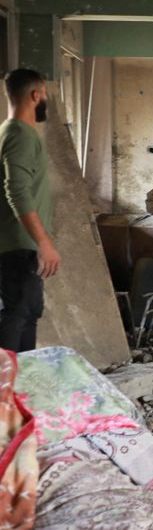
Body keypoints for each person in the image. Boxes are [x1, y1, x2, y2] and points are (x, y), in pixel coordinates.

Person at [0, 69, 58, 352]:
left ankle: (20, 391)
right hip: (19, 247)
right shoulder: (19, 135)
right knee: (17, 316)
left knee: (27, 315)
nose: (45, 98)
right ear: (36, 95)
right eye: (44, 93)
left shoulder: (13, 133)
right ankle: (6, 392)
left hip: (21, 246)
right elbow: (17, 190)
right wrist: (43, 242)